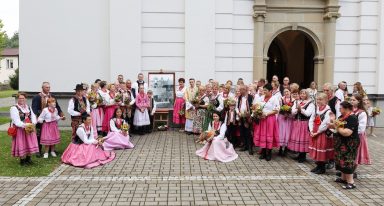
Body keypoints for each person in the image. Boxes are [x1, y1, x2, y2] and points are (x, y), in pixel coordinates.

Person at [330, 101, 359, 189]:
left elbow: (346, 133)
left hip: (349, 144)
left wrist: (337, 126)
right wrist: (332, 122)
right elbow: (336, 126)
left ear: (346, 109)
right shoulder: (341, 116)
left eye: (341, 108)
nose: (339, 109)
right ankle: (343, 178)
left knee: (347, 161)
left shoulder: (352, 118)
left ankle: (351, 182)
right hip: (340, 143)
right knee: (340, 160)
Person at [32, 82, 64, 157]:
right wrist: (41, 116)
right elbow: (34, 109)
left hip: (51, 119)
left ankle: (51, 149)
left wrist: (61, 113)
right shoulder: (37, 97)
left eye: (49, 87)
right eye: (46, 87)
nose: (48, 89)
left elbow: (57, 106)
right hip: (41, 119)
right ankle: (38, 151)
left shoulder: (52, 96)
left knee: (51, 134)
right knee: (39, 135)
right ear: (42, 88)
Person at [10, 93, 39, 166]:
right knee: (22, 143)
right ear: (17, 99)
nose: (21, 99)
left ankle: (28, 159)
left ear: (25, 99)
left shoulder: (28, 107)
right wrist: (25, 125)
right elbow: (16, 121)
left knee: (29, 142)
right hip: (20, 129)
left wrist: (33, 123)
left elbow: (33, 116)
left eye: (23, 98)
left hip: (29, 128)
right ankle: (22, 161)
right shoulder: (14, 108)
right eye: (20, 98)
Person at [253, 84, 280, 161]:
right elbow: (256, 106)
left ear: (270, 91)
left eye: (266, 90)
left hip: (270, 119)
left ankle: (269, 152)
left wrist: (267, 114)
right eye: (263, 90)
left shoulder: (275, 98)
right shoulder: (261, 97)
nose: (264, 91)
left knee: (269, 135)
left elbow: (277, 110)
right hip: (262, 119)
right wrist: (257, 111)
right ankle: (263, 152)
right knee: (263, 135)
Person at [308, 93, 333, 174]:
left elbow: (325, 124)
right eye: (317, 99)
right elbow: (311, 119)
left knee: (321, 149)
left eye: (320, 99)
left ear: (326, 100)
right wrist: (311, 130)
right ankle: (318, 165)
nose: (318, 101)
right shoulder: (316, 109)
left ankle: (322, 167)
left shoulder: (328, 111)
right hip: (315, 131)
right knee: (316, 148)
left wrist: (317, 132)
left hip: (322, 133)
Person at [288, 89, 315, 163]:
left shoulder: (310, 103)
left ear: (307, 95)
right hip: (297, 123)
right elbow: (293, 112)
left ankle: (303, 156)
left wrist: (301, 109)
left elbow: (308, 114)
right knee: (298, 138)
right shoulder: (297, 102)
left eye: (304, 93)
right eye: (301, 93)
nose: (302, 95)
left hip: (304, 123)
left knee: (303, 139)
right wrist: (297, 109)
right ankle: (300, 154)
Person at [350, 94, 371, 171]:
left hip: (357, 136)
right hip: (349, 135)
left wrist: (351, 132)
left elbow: (361, 128)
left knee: (356, 153)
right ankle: (347, 171)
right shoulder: (350, 110)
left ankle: (352, 171)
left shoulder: (362, 113)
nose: (351, 101)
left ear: (358, 101)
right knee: (350, 153)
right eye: (351, 100)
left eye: (354, 100)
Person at [237, 85, 254, 155]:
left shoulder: (250, 97)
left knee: (248, 132)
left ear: (246, 90)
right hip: (241, 116)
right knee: (242, 131)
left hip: (248, 116)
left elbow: (254, 106)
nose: (240, 91)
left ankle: (250, 147)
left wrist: (250, 115)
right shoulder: (240, 97)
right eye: (240, 90)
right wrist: (238, 113)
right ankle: (244, 145)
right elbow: (237, 107)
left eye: (242, 90)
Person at [277, 88, 293, 156]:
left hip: (289, 118)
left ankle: (286, 148)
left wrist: (288, 113)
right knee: (281, 132)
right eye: (285, 92)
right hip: (282, 117)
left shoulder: (293, 100)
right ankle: (280, 148)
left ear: (290, 92)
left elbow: (293, 109)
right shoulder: (281, 99)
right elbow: (279, 107)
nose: (286, 93)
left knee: (287, 132)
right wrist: (283, 112)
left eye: (287, 91)